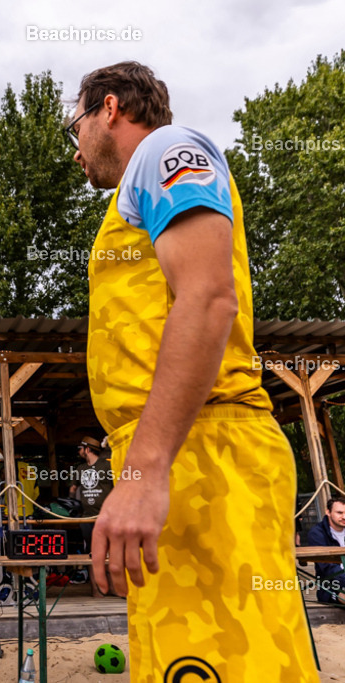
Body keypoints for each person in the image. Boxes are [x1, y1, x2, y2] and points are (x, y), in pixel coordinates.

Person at [69, 61, 318, 680]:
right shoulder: (142, 191)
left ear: (108, 108)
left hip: (204, 450)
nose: (74, 150)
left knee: (230, 664)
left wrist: (146, 470)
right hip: (188, 447)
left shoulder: (165, 149)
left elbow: (208, 298)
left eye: (73, 127)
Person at [67, 436, 112, 553]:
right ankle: (93, 572)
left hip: (106, 517)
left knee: (108, 550)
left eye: (80, 448)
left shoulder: (107, 466)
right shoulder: (80, 468)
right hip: (86, 517)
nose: (79, 451)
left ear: (87, 449)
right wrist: (72, 505)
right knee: (92, 552)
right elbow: (73, 488)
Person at [305, 496, 345, 604]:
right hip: (332, 586)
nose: (344, 516)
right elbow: (328, 568)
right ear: (328, 512)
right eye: (339, 513)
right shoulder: (317, 534)